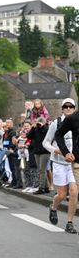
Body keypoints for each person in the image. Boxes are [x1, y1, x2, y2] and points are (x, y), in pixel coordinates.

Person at [43, 98, 77, 233]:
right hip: (58, 163)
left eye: (71, 107)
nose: (68, 109)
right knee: (62, 195)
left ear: (74, 108)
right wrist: (55, 150)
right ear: (62, 108)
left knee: (74, 192)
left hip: (73, 164)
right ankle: (53, 207)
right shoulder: (56, 123)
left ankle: (69, 223)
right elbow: (45, 143)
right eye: (66, 107)